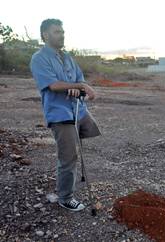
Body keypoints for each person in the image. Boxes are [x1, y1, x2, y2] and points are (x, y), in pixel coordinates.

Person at [30, 19, 101, 211]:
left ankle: (72, 182)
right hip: (60, 114)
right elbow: (53, 85)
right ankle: (65, 197)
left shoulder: (68, 57)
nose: (62, 35)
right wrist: (78, 86)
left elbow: (79, 80)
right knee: (68, 157)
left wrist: (79, 87)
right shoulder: (39, 58)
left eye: (62, 31)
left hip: (77, 110)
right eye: (56, 32)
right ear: (45, 35)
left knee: (84, 140)